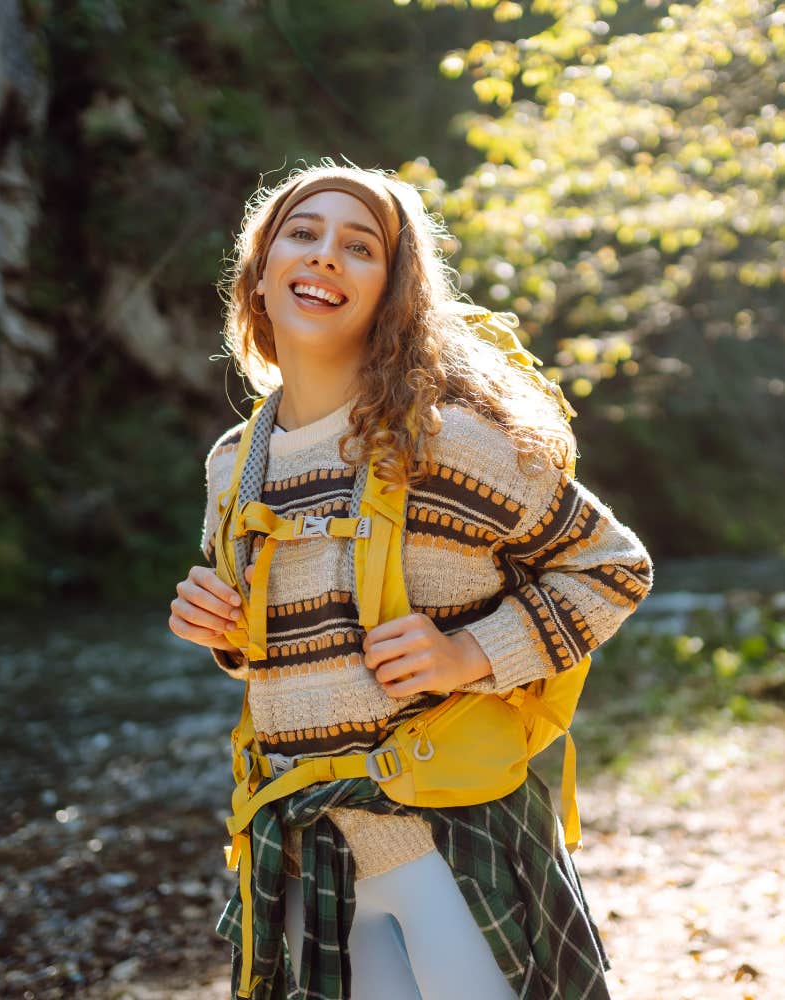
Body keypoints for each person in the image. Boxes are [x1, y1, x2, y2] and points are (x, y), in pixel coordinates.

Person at [169, 162, 653, 1000]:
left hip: (452, 842)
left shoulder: (451, 443)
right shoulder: (231, 466)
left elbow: (612, 566)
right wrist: (224, 632)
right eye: (302, 233)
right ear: (259, 273)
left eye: (359, 247)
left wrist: (468, 653)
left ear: (394, 294)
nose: (325, 255)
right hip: (305, 854)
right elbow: (280, 653)